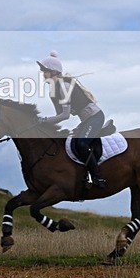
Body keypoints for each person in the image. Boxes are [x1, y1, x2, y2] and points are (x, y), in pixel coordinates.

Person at [37, 51, 107, 188]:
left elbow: (65, 115)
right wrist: (41, 122)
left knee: (82, 144)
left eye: (45, 71)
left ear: (53, 72)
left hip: (95, 117)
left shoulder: (64, 87)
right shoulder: (53, 90)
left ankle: (98, 178)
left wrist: (44, 120)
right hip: (87, 120)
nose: (43, 74)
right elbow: (59, 115)